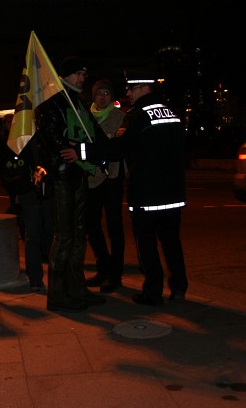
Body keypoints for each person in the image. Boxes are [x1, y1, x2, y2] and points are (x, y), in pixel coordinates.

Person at [65, 69, 188, 307]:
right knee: (172, 242)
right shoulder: (172, 113)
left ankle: (152, 293)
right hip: (173, 192)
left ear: (144, 88)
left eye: (131, 89)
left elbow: (118, 148)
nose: (128, 93)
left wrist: (81, 151)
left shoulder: (137, 116)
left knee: (147, 245)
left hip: (147, 194)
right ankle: (179, 287)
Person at [34, 56, 107, 312]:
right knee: (64, 236)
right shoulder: (52, 104)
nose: (82, 78)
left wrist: (87, 150)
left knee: (79, 234)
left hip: (79, 173)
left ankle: (76, 287)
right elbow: (54, 139)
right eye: (77, 74)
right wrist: (73, 147)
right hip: (62, 176)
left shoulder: (78, 103)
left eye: (84, 74)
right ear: (64, 76)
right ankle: (57, 294)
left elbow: (94, 136)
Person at [0, 114, 53, 292]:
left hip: (48, 191)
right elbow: (9, 166)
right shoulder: (15, 140)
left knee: (50, 234)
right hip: (28, 192)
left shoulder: (45, 135)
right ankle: (35, 278)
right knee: (32, 235)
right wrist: (17, 187)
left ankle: (55, 277)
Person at [84, 79, 126, 293]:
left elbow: (118, 146)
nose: (102, 97)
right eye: (99, 93)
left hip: (112, 177)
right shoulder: (84, 116)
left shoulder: (120, 117)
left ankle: (115, 274)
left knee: (114, 226)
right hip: (90, 177)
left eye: (106, 93)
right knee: (91, 225)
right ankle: (104, 267)